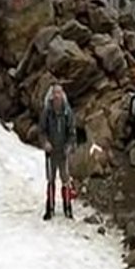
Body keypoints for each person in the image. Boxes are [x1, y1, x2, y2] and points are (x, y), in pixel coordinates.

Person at [39, 83, 76, 220]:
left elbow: (72, 133)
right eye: (54, 93)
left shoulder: (67, 112)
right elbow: (42, 131)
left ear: (63, 94)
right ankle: (50, 207)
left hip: (63, 152)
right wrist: (45, 142)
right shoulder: (46, 112)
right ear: (51, 95)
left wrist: (69, 146)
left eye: (59, 92)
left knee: (65, 180)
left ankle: (68, 208)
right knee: (51, 179)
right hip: (51, 152)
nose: (57, 95)